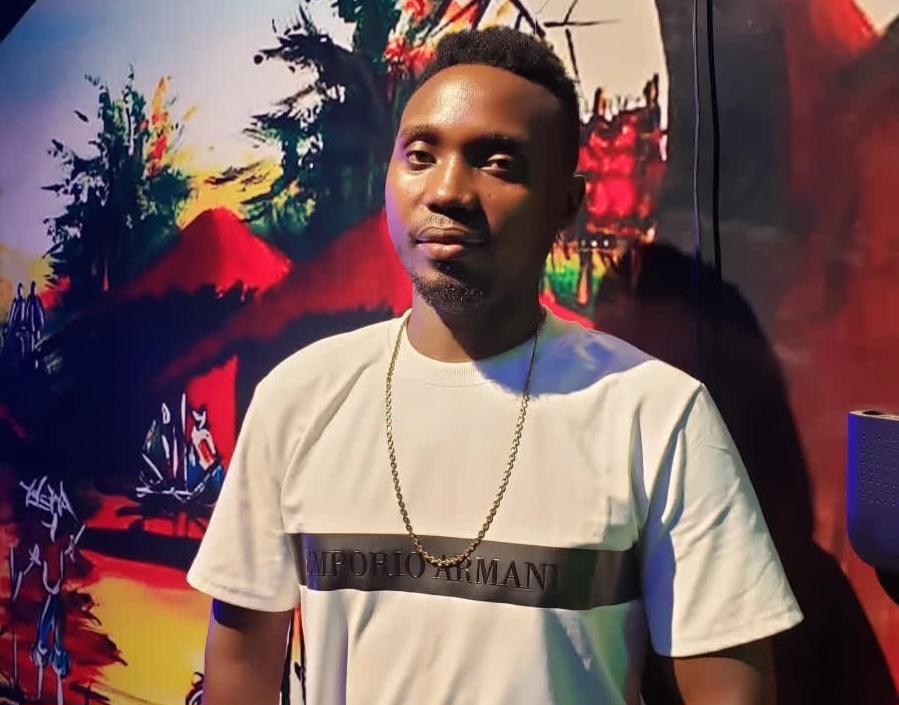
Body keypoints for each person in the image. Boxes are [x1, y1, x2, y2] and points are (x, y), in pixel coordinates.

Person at [187, 26, 803, 705]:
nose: (447, 190)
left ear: (566, 204)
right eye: (420, 155)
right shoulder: (299, 398)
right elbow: (240, 661)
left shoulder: (655, 414)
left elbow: (728, 691)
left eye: (498, 163)